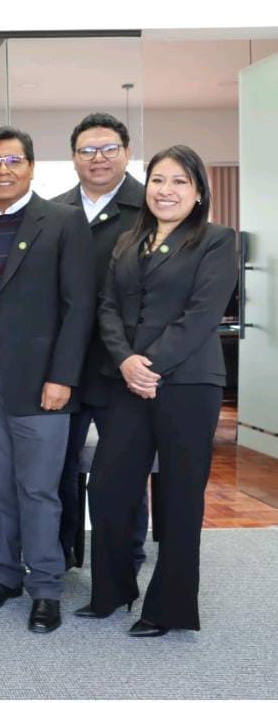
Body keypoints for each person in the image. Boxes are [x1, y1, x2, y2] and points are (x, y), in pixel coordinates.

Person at [82, 145, 237, 636]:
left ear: (197, 193)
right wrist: (126, 362)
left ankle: (166, 609)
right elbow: (106, 307)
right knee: (107, 487)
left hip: (190, 383)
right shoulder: (129, 241)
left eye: (178, 182)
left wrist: (149, 366)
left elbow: (202, 314)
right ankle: (113, 591)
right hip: (128, 380)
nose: (165, 191)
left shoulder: (215, 240)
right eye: (157, 180)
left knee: (178, 495)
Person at [0, 126, 95, 634]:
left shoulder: (62, 223)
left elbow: (79, 307)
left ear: (32, 167)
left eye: (13, 161)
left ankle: (45, 586)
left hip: (43, 384)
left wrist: (63, 376)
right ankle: (5, 575)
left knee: (39, 489)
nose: (3, 170)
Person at [53, 112, 149, 571]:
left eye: (109, 148)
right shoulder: (54, 211)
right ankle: (64, 553)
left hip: (122, 365)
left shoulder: (150, 208)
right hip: (66, 367)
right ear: (73, 158)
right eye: (87, 150)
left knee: (122, 469)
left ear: (126, 153)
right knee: (60, 469)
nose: (99, 158)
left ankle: (126, 554)